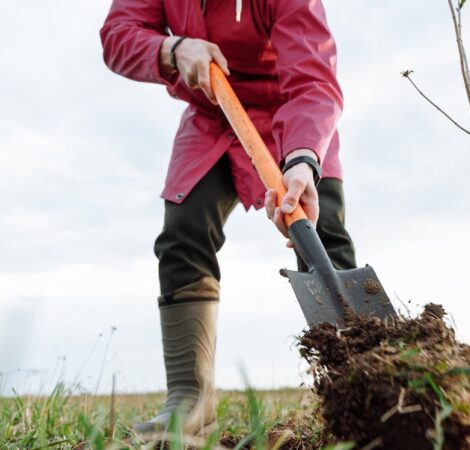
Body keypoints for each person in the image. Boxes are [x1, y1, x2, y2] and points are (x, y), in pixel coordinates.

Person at [100, 0, 355, 435]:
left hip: (290, 115)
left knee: (321, 234)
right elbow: (118, 34)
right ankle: (189, 400)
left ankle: (356, 388)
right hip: (211, 114)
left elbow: (313, 80)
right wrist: (173, 48)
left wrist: (302, 158)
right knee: (183, 233)